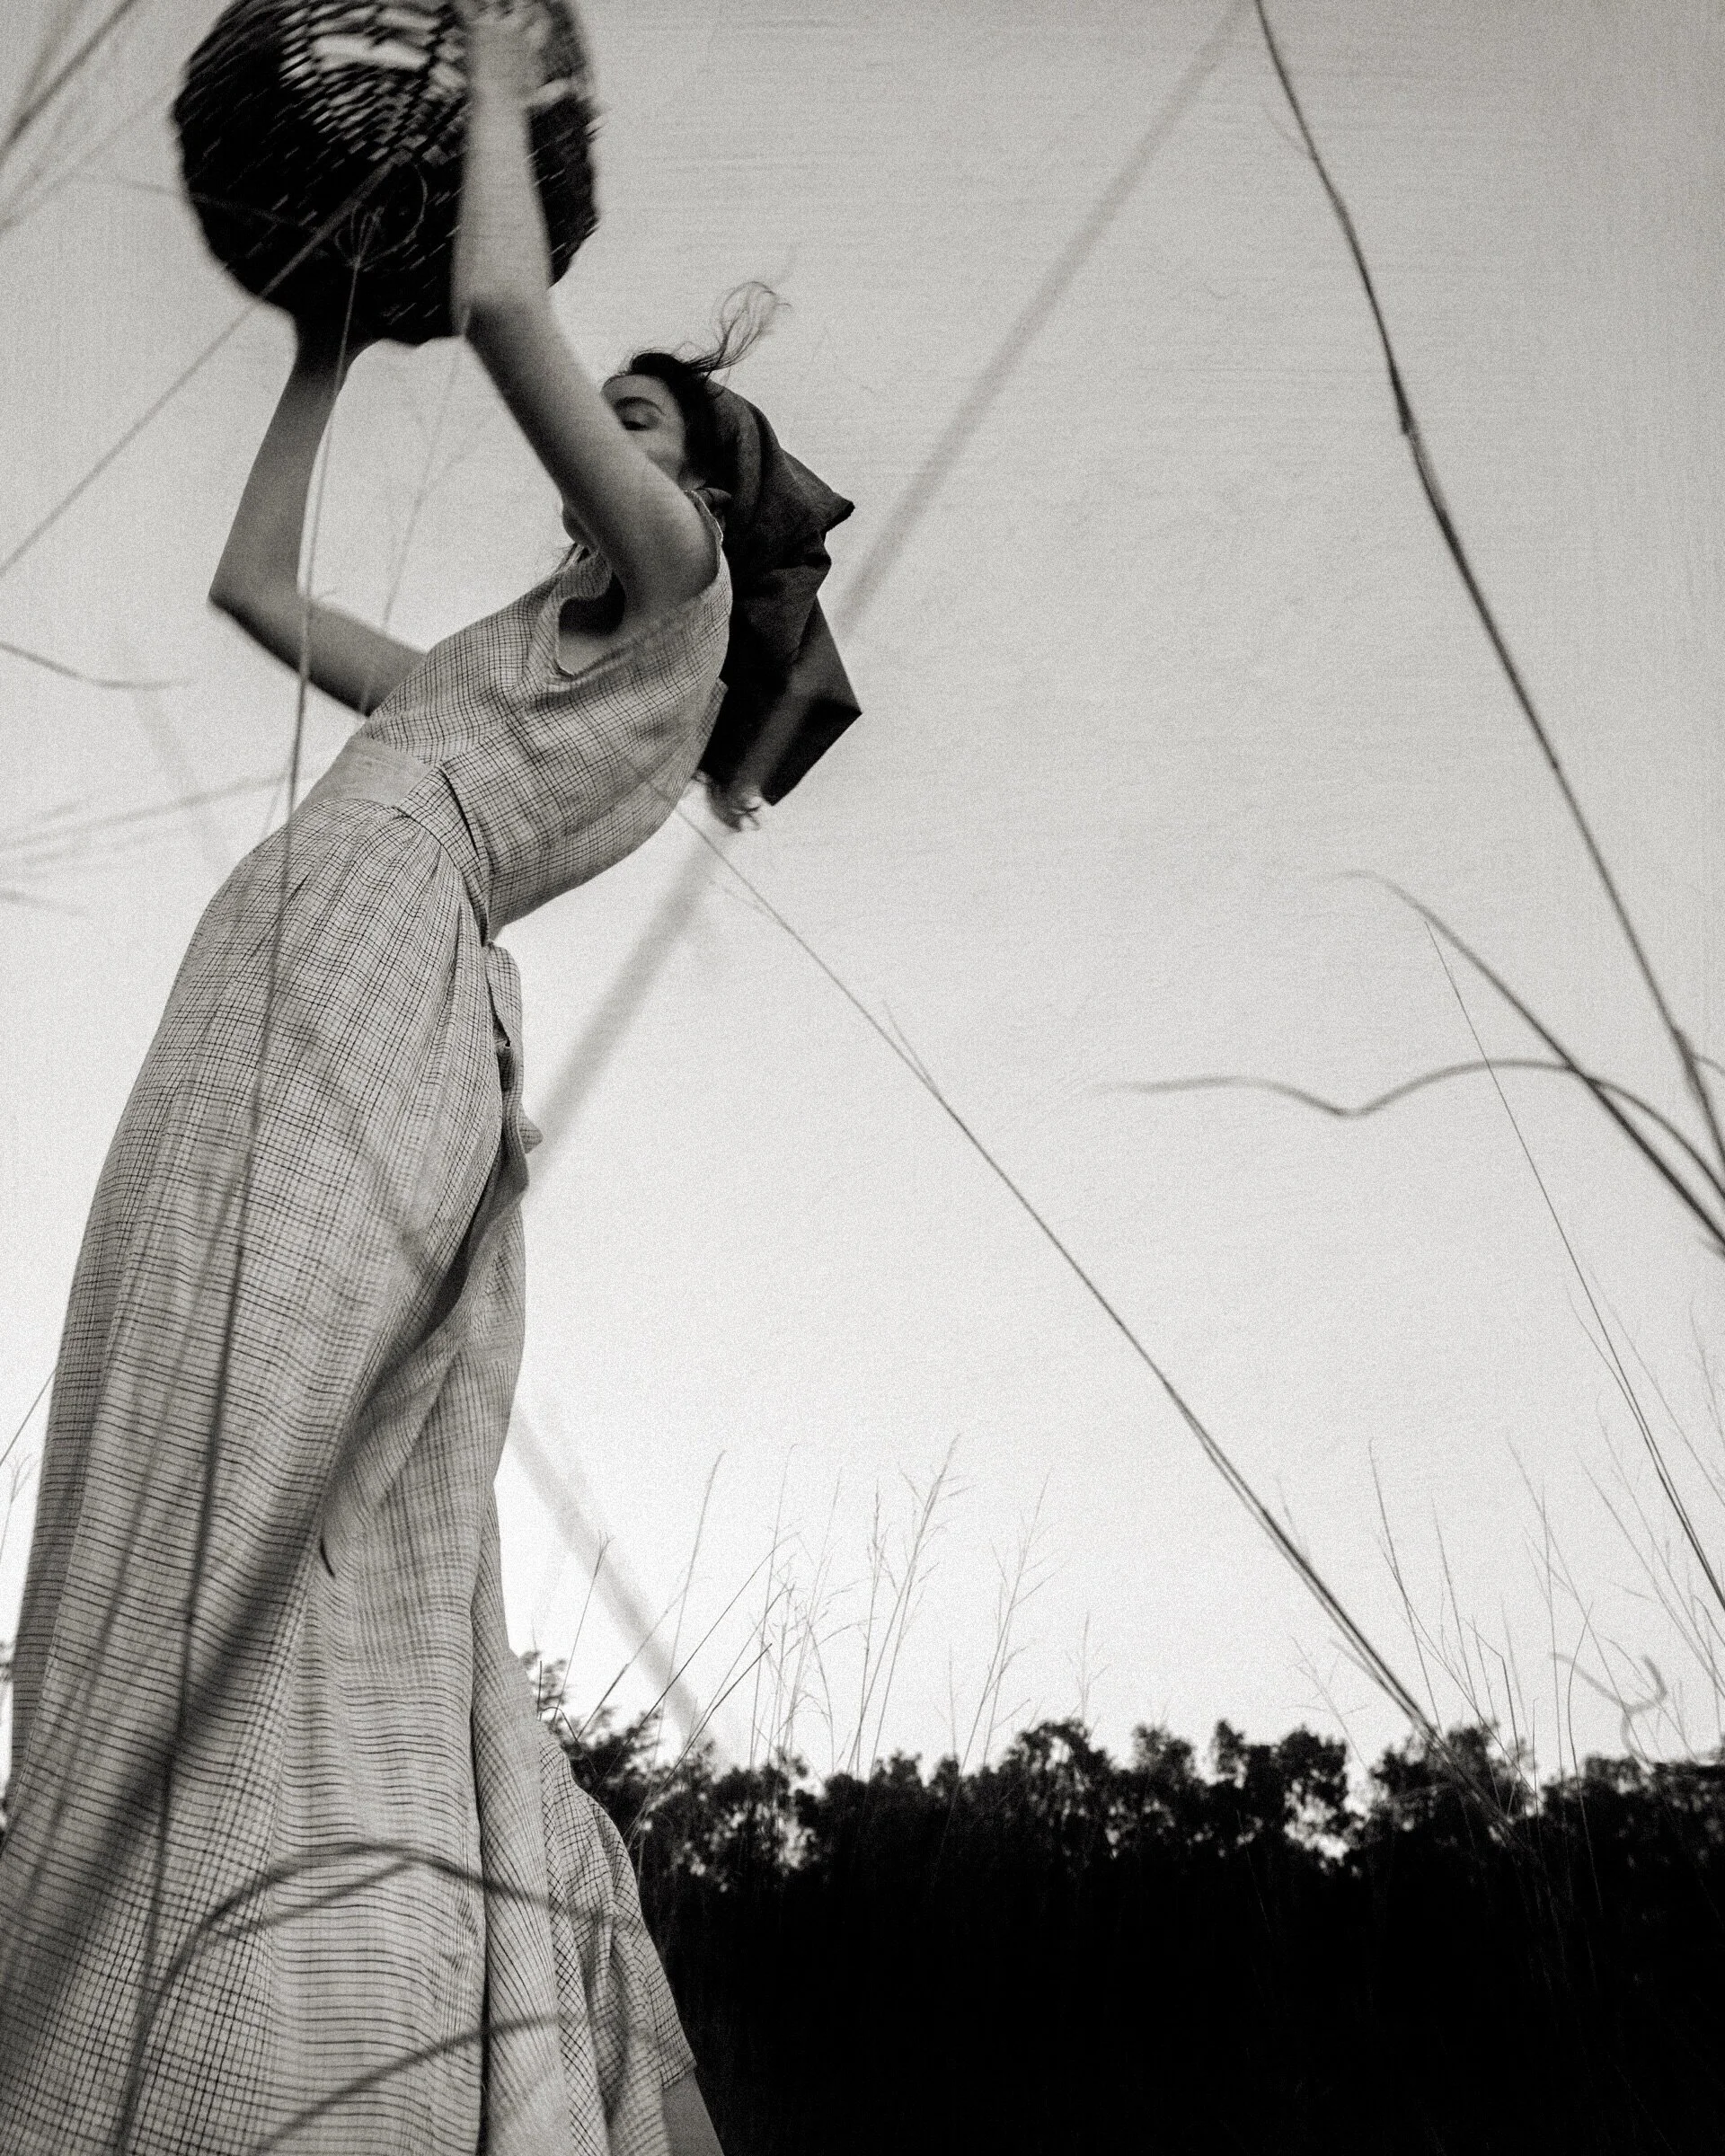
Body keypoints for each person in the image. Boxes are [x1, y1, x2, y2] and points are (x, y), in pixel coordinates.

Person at [0, 3, 854, 2149]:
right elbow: (251, 586)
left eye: (638, 415)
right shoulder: (481, 669)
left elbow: (493, 299)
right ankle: (145, 1973)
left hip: (390, 982)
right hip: (283, 946)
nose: (600, 431)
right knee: (167, 1410)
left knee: (280, 1456)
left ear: (702, 489)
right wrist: (314, 351)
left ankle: (300, 2032)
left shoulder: (677, 592)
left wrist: (481, 67)